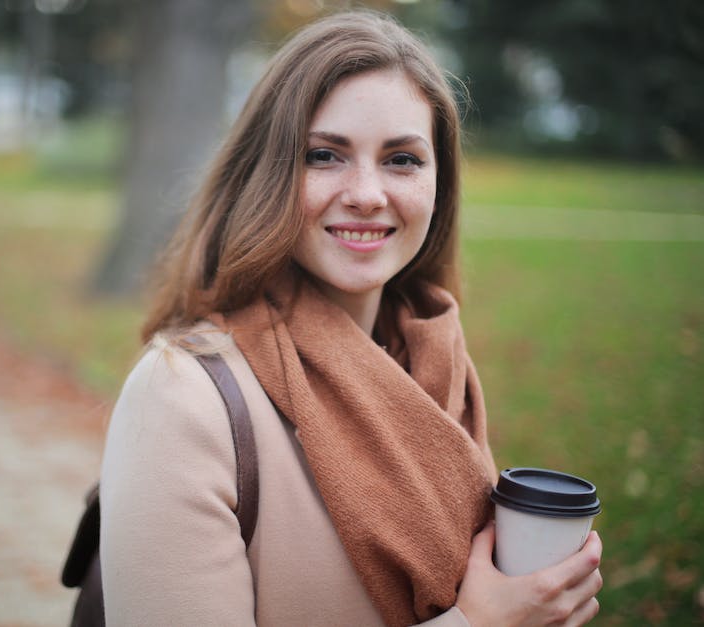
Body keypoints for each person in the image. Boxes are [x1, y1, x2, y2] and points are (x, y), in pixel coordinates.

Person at [98, 10, 603, 626]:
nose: (367, 192)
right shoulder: (181, 396)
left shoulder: (435, 363)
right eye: (324, 155)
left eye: (402, 159)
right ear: (268, 173)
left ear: (439, 183)